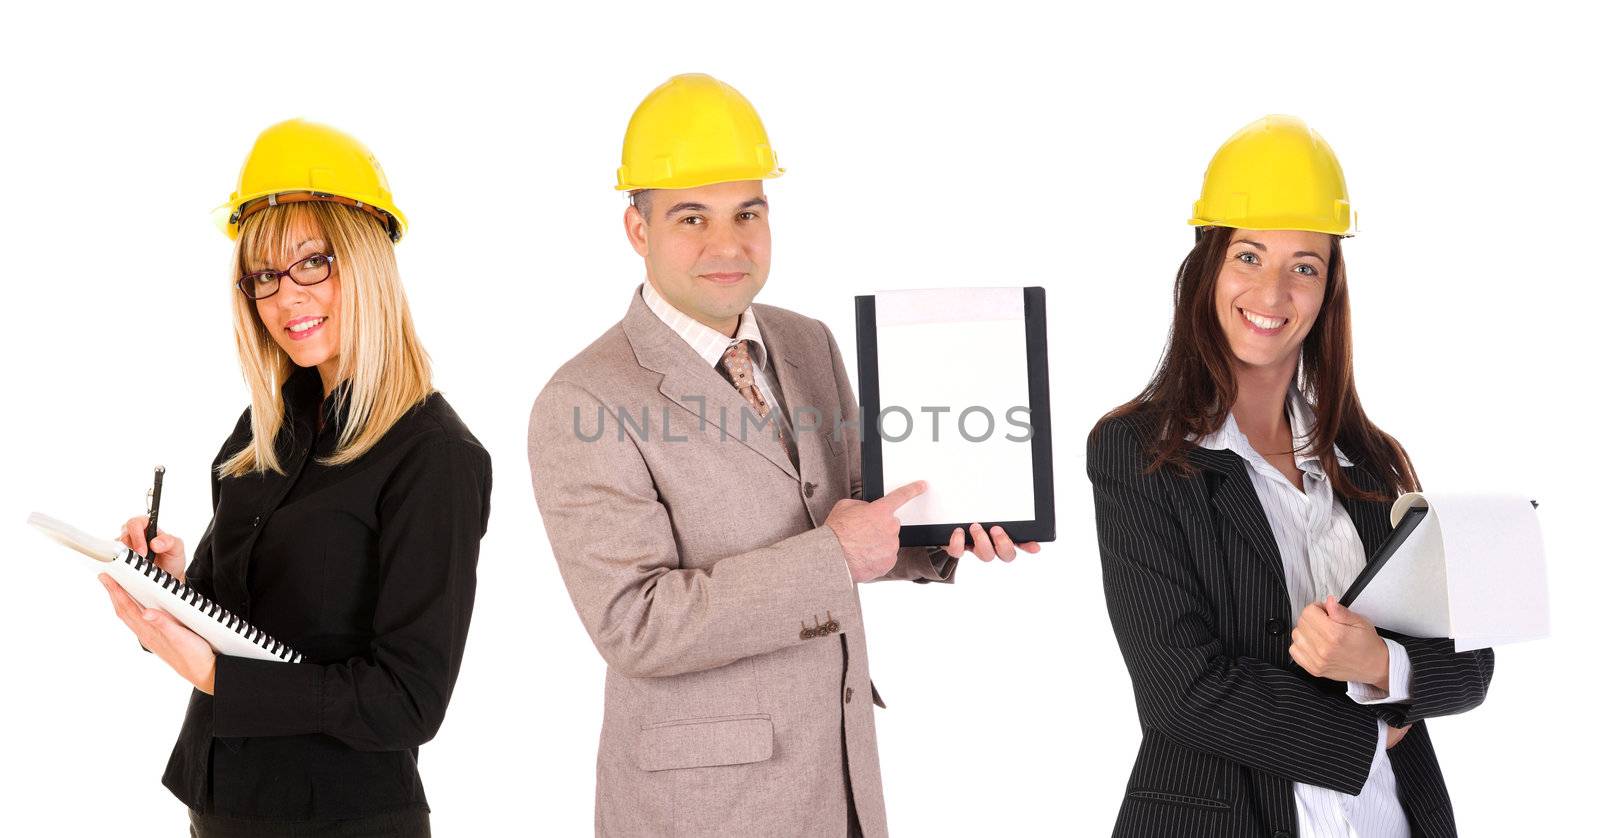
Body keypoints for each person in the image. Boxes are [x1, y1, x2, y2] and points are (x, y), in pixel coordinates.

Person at [528, 73, 1039, 837]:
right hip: (701, 808)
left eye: (748, 212)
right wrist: (833, 557)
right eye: (691, 217)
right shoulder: (584, 400)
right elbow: (636, 624)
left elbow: (860, 510)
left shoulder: (806, 343)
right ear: (637, 229)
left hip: (839, 780)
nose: (728, 244)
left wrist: (950, 528)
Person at [1087, 115, 1493, 837]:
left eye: (1304, 265)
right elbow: (1179, 690)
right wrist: (1372, 728)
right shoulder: (1139, 452)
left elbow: (1470, 662)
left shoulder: (1369, 460)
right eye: (1249, 256)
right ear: (1207, 266)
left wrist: (1378, 661)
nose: (1273, 293)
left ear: (1328, 285)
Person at [100, 118, 491, 837]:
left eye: (313, 263)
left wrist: (222, 678)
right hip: (220, 802)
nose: (286, 299)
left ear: (367, 257)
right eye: (265, 277)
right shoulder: (264, 431)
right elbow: (240, 621)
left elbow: (409, 701)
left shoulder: (434, 456)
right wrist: (175, 588)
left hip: (341, 818)